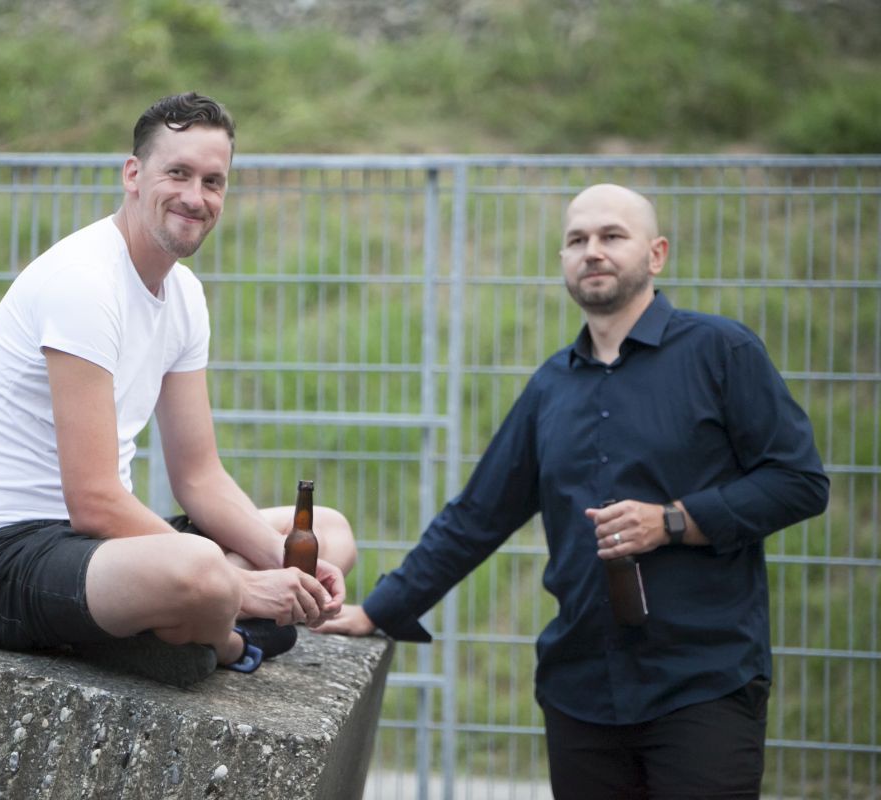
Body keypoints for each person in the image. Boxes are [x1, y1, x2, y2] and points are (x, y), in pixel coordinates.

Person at [317, 183, 829, 798]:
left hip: (704, 685)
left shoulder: (722, 352)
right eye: (577, 239)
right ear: (563, 260)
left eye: (612, 236)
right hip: (581, 693)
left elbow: (799, 481)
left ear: (656, 254)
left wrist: (673, 520)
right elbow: (477, 516)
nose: (593, 251)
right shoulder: (550, 388)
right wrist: (378, 610)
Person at [0, 92, 354, 687]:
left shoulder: (184, 296)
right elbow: (94, 499)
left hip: (92, 548)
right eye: (177, 173)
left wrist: (285, 566)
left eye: (212, 181)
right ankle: (227, 640)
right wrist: (245, 587)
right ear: (133, 174)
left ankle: (185, 630)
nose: (195, 197)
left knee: (327, 534)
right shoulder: (84, 282)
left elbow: (199, 477)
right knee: (203, 572)